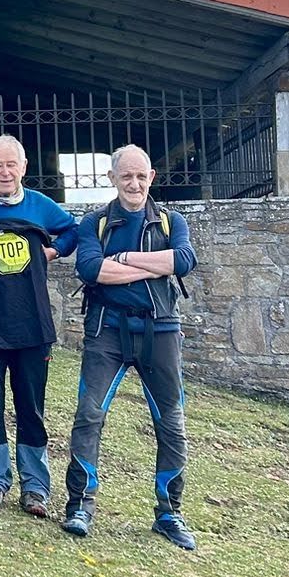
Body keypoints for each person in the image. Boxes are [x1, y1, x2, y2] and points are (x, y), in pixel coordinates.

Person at [62, 144, 199, 550]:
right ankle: (80, 504)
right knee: (89, 416)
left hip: (161, 331)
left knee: (171, 422)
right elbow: (90, 268)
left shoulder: (173, 222)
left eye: (141, 176)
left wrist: (122, 259)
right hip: (107, 330)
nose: (134, 183)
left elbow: (184, 261)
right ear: (113, 179)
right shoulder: (95, 223)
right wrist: (154, 262)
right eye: (126, 176)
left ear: (151, 177)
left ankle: (169, 513)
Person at [0, 136, 79, 517]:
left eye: (12, 165)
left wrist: (51, 251)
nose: (5, 172)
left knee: (31, 406)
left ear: (23, 167)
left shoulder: (41, 205)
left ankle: (35, 486)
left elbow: (72, 232)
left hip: (32, 325)